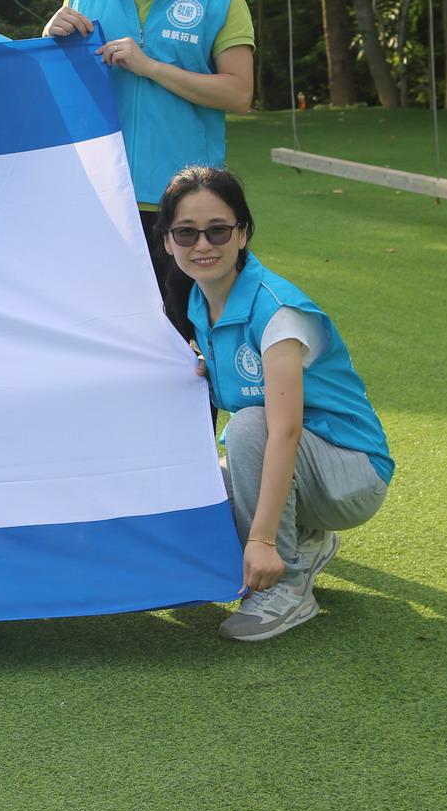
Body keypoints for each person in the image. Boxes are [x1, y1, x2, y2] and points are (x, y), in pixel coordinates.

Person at [158, 166, 393, 643]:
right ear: (167, 241)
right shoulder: (200, 300)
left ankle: (287, 584)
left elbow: (282, 430)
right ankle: (306, 541)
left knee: (249, 428)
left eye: (218, 230)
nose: (202, 245)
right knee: (199, 493)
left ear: (242, 233)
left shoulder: (275, 311)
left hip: (352, 473)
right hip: (305, 463)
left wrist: (262, 540)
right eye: (186, 233)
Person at [42, 0, 256, 324]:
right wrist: (50, 42)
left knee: (190, 339)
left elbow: (239, 93)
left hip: (188, 207)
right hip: (105, 199)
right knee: (107, 335)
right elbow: (62, 95)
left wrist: (151, 67)